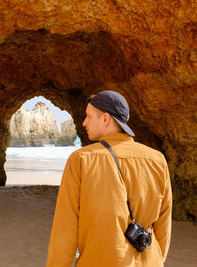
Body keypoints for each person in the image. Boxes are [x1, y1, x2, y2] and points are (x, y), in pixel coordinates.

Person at [46, 90, 172, 267]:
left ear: (105, 119)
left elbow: (65, 230)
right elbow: (163, 227)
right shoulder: (157, 160)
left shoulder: (81, 160)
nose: (84, 122)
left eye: (89, 116)